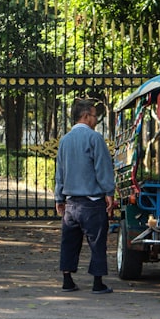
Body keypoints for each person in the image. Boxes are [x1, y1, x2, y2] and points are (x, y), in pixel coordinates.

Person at [54, 98, 118, 294]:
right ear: (85, 116)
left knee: (69, 242)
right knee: (97, 242)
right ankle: (97, 283)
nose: (95, 120)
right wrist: (109, 192)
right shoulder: (94, 138)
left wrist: (59, 198)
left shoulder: (64, 140)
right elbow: (102, 169)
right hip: (92, 202)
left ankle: (67, 280)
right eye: (94, 116)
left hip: (71, 203)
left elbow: (60, 172)